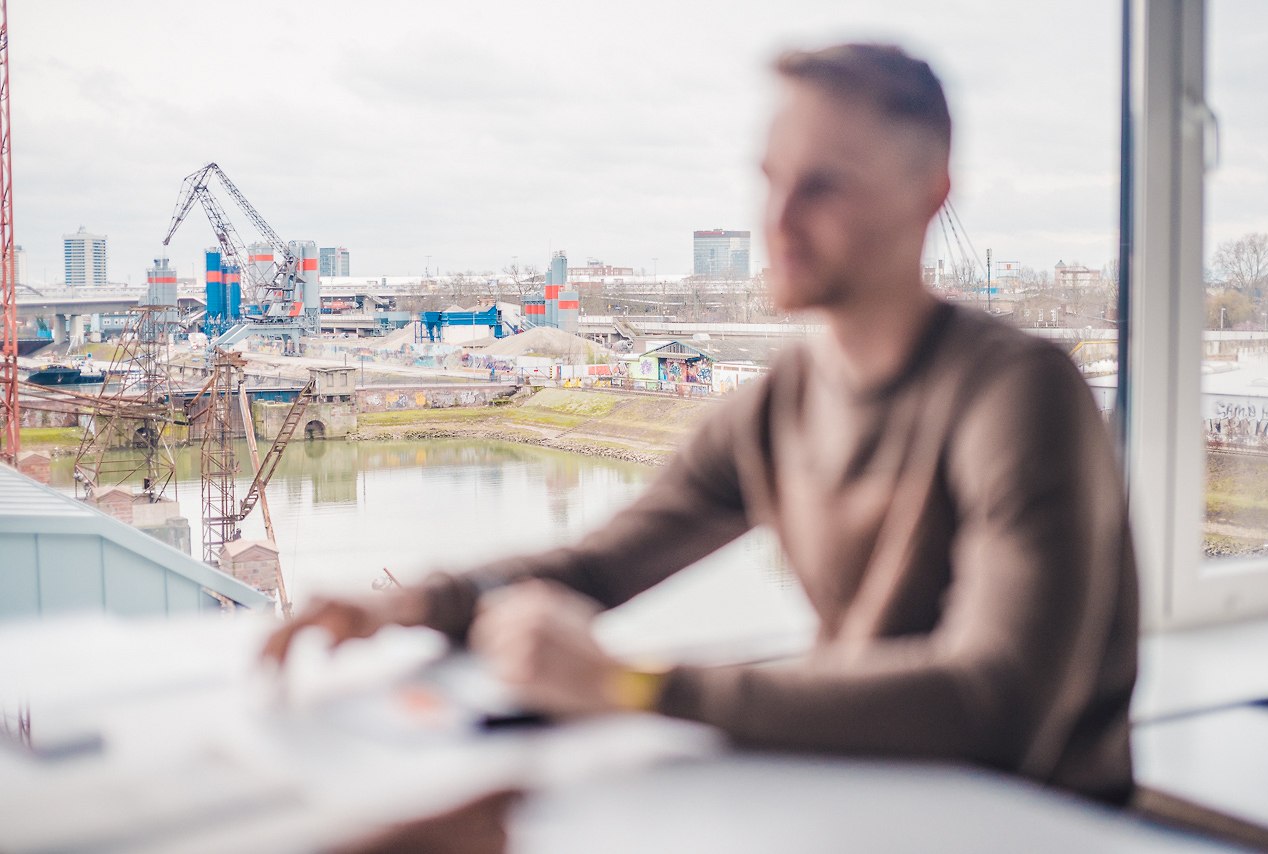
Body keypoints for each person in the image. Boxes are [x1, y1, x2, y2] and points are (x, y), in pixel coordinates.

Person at [264, 43, 1138, 806]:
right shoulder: (784, 400)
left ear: (929, 193)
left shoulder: (1021, 394)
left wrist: (633, 684)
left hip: (1032, 824)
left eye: (824, 185)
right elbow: (599, 565)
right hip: (873, 799)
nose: (780, 221)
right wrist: (407, 605)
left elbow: (996, 703)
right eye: (771, 179)